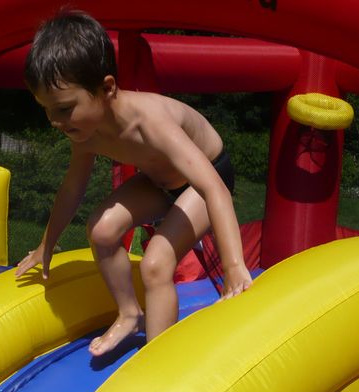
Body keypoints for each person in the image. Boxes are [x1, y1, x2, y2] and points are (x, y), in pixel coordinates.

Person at [14, 10, 252, 357]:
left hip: (206, 179)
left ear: (107, 88)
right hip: (159, 181)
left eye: (64, 109)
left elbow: (212, 187)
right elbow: (72, 188)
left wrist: (233, 267)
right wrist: (45, 245)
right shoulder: (85, 133)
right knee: (101, 231)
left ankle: (158, 360)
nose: (55, 121)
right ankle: (129, 314)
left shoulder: (150, 121)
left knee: (156, 264)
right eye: (47, 110)